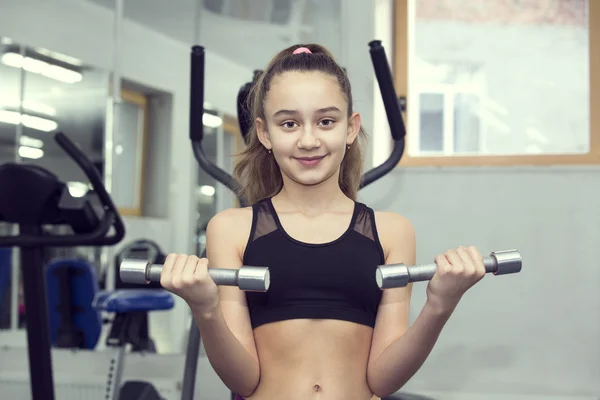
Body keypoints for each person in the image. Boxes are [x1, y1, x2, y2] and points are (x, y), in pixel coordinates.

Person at [160, 44, 487, 400]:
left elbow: (382, 381)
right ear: (265, 133)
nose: (309, 140)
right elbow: (242, 381)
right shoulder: (231, 229)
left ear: (351, 128)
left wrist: (440, 305)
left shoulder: (391, 231)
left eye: (326, 121)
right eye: (289, 123)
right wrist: (205, 310)